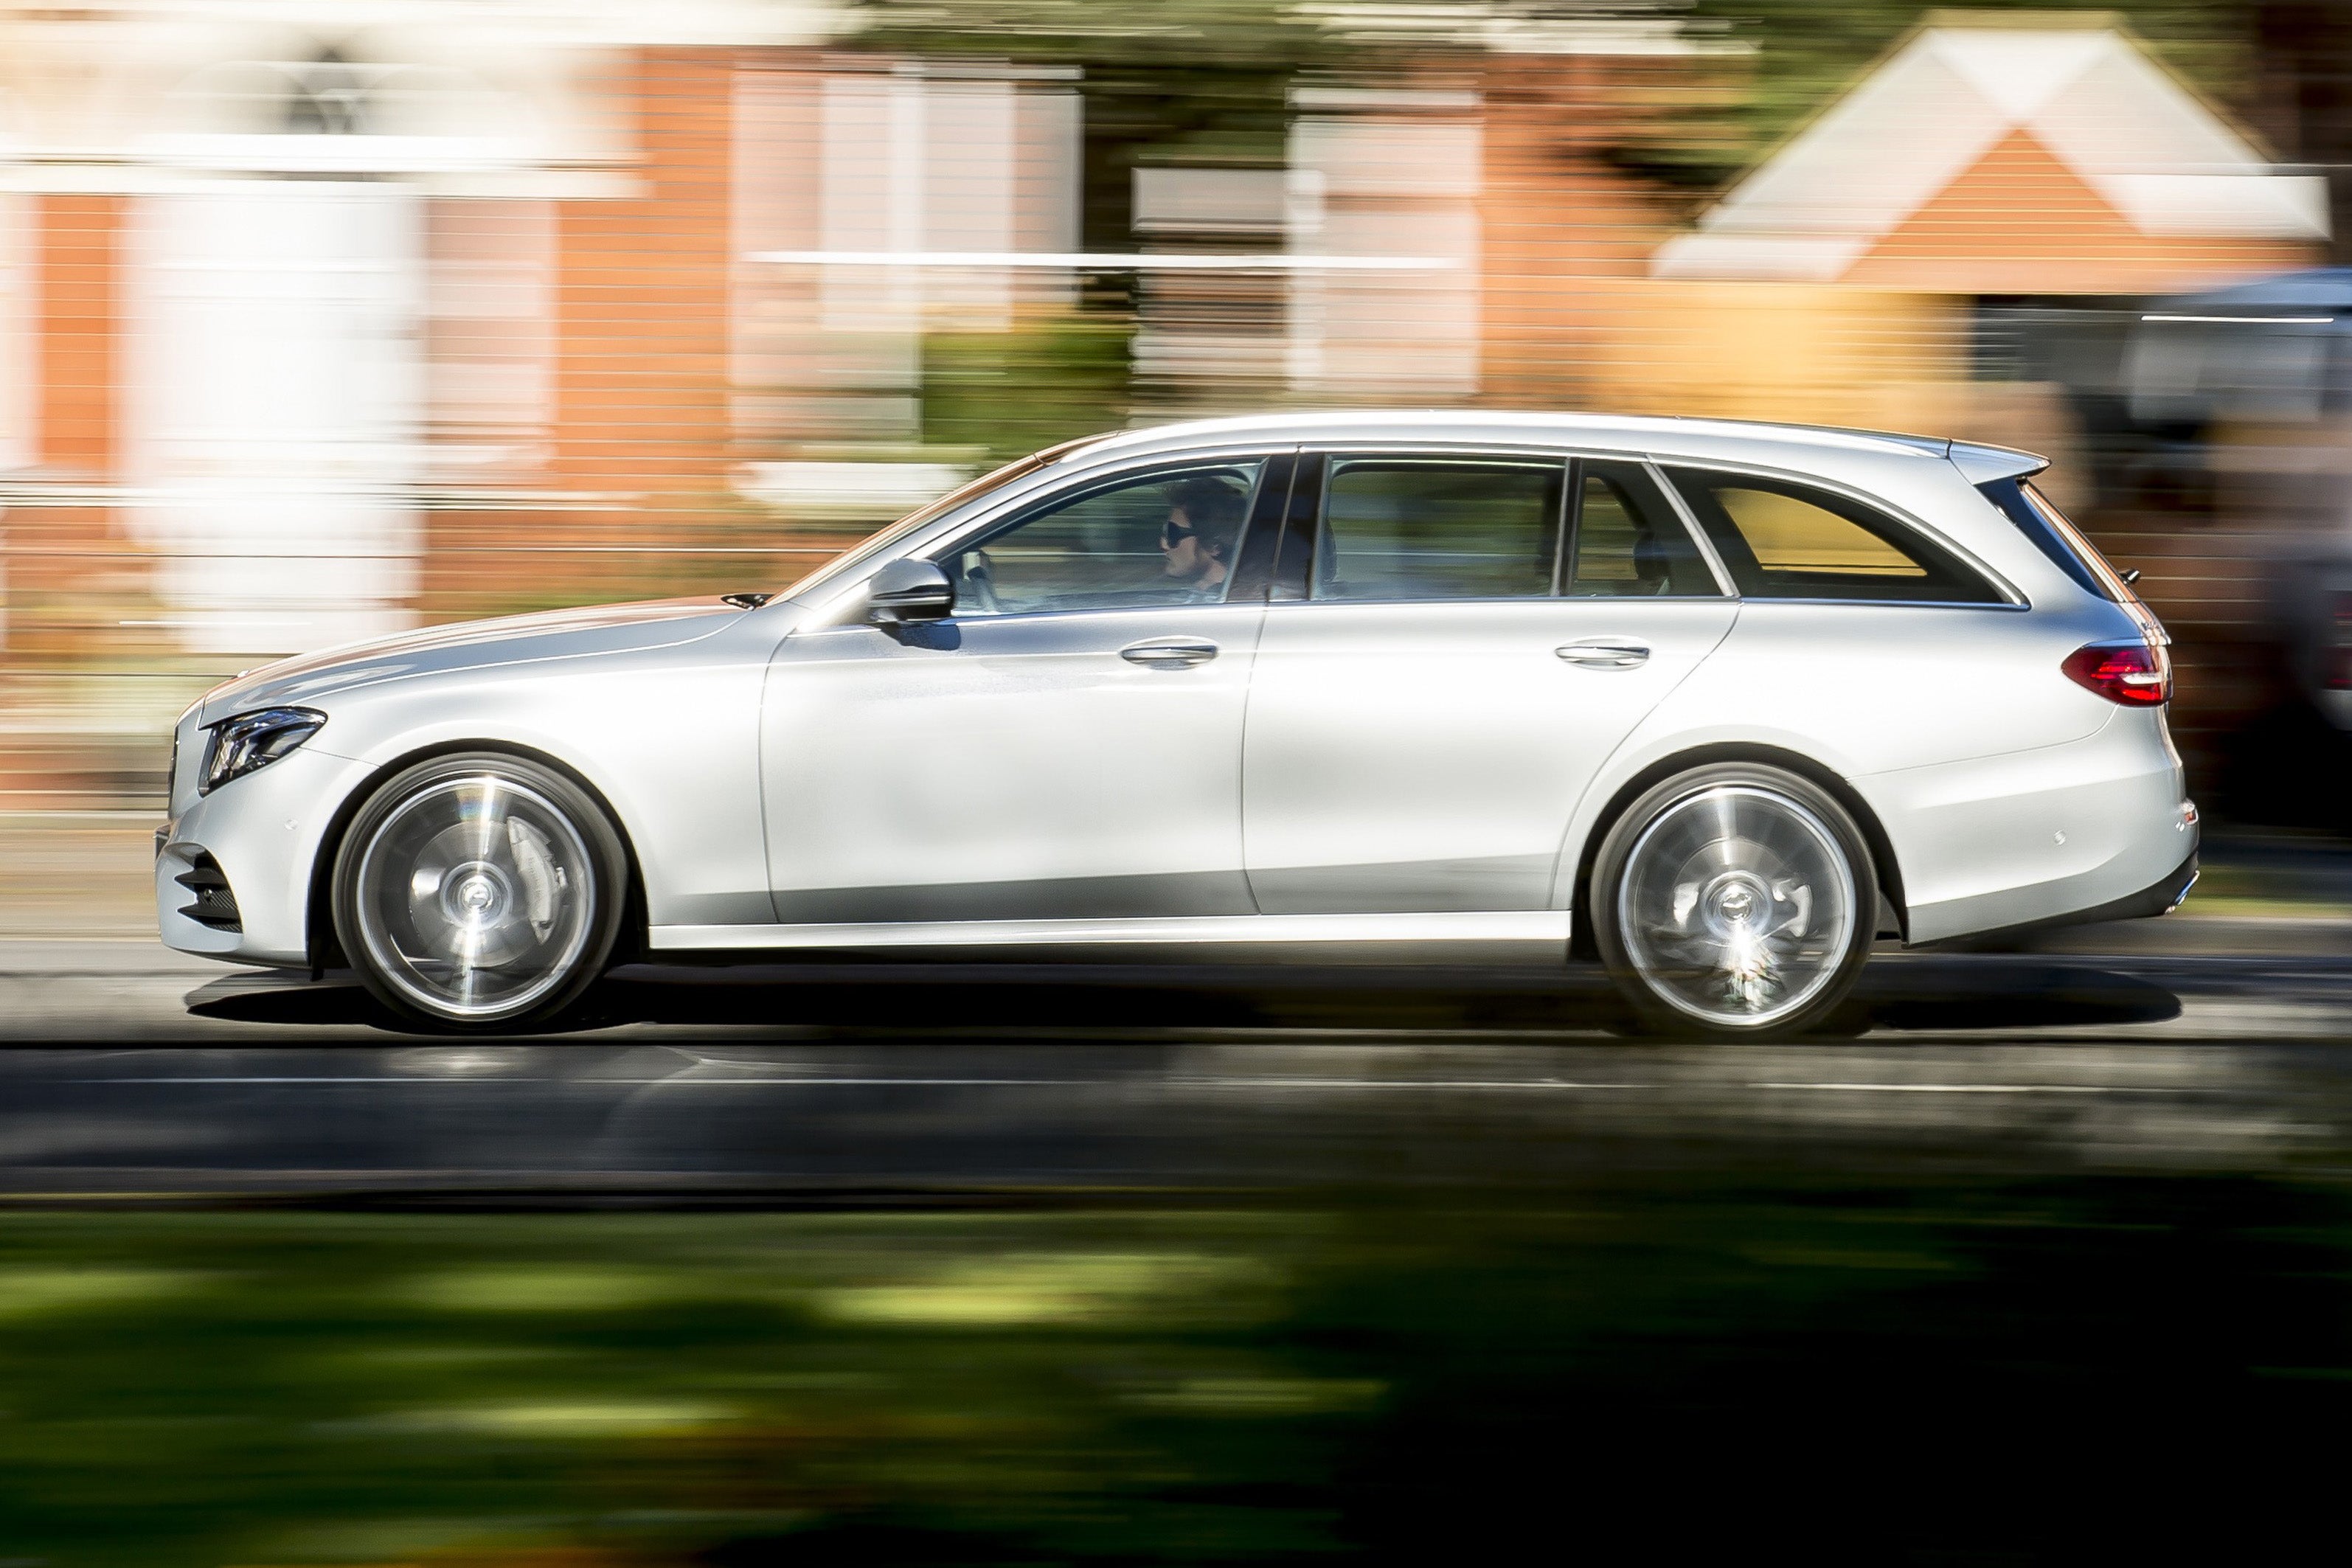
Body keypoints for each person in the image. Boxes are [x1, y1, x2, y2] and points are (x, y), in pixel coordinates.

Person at [1161, 476, 1246, 598]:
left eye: (1173, 533)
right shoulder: (1204, 599)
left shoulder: (1227, 609)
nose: (1163, 544)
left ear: (1214, 547)